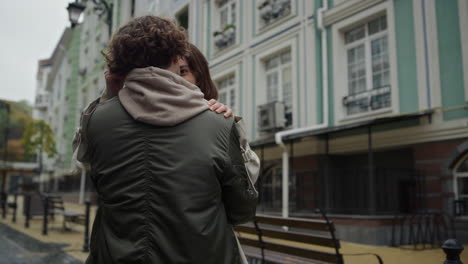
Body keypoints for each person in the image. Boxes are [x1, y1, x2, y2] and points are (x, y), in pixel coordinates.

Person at [78, 16, 258, 264]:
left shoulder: (96, 120)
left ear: (120, 66)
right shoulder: (220, 123)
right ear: (176, 58)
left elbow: (90, 167)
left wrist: (110, 96)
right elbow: (242, 209)